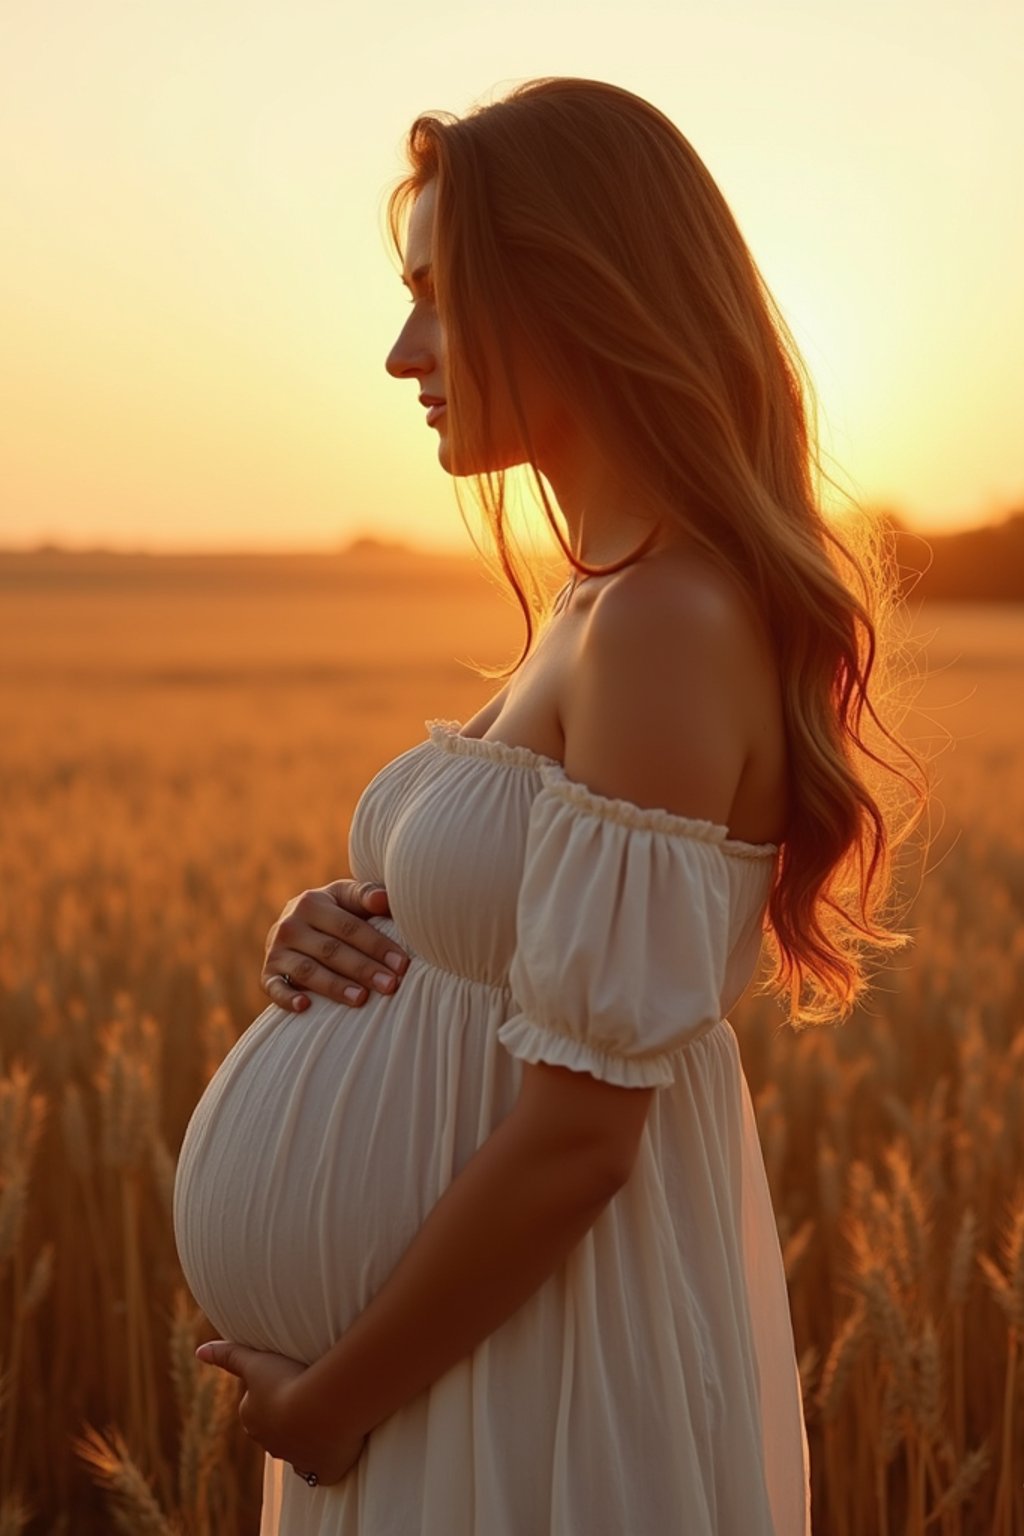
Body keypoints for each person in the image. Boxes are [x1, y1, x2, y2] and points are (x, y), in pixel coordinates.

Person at [173, 76, 923, 1535]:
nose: (403, 353)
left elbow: (582, 1137)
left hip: (527, 1370)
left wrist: (331, 1406)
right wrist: (330, 930)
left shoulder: (664, 622)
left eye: (445, 300)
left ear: (584, 296)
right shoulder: (601, 604)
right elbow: (504, 944)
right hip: (453, 1357)